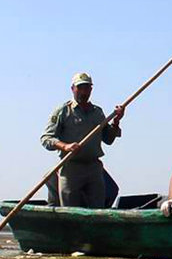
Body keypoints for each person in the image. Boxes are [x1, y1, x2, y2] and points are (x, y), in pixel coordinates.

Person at [40, 72, 124, 208]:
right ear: (73, 89)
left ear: (91, 89)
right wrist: (65, 146)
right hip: (70, 168)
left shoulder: (97, 112)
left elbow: (108, 139)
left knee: (98, 209)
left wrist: (116, 121)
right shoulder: (63, 111)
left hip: (93, 168)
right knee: (69, 209)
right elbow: (46, 138)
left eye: (87, 88)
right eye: (80, 88)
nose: (83, 92)